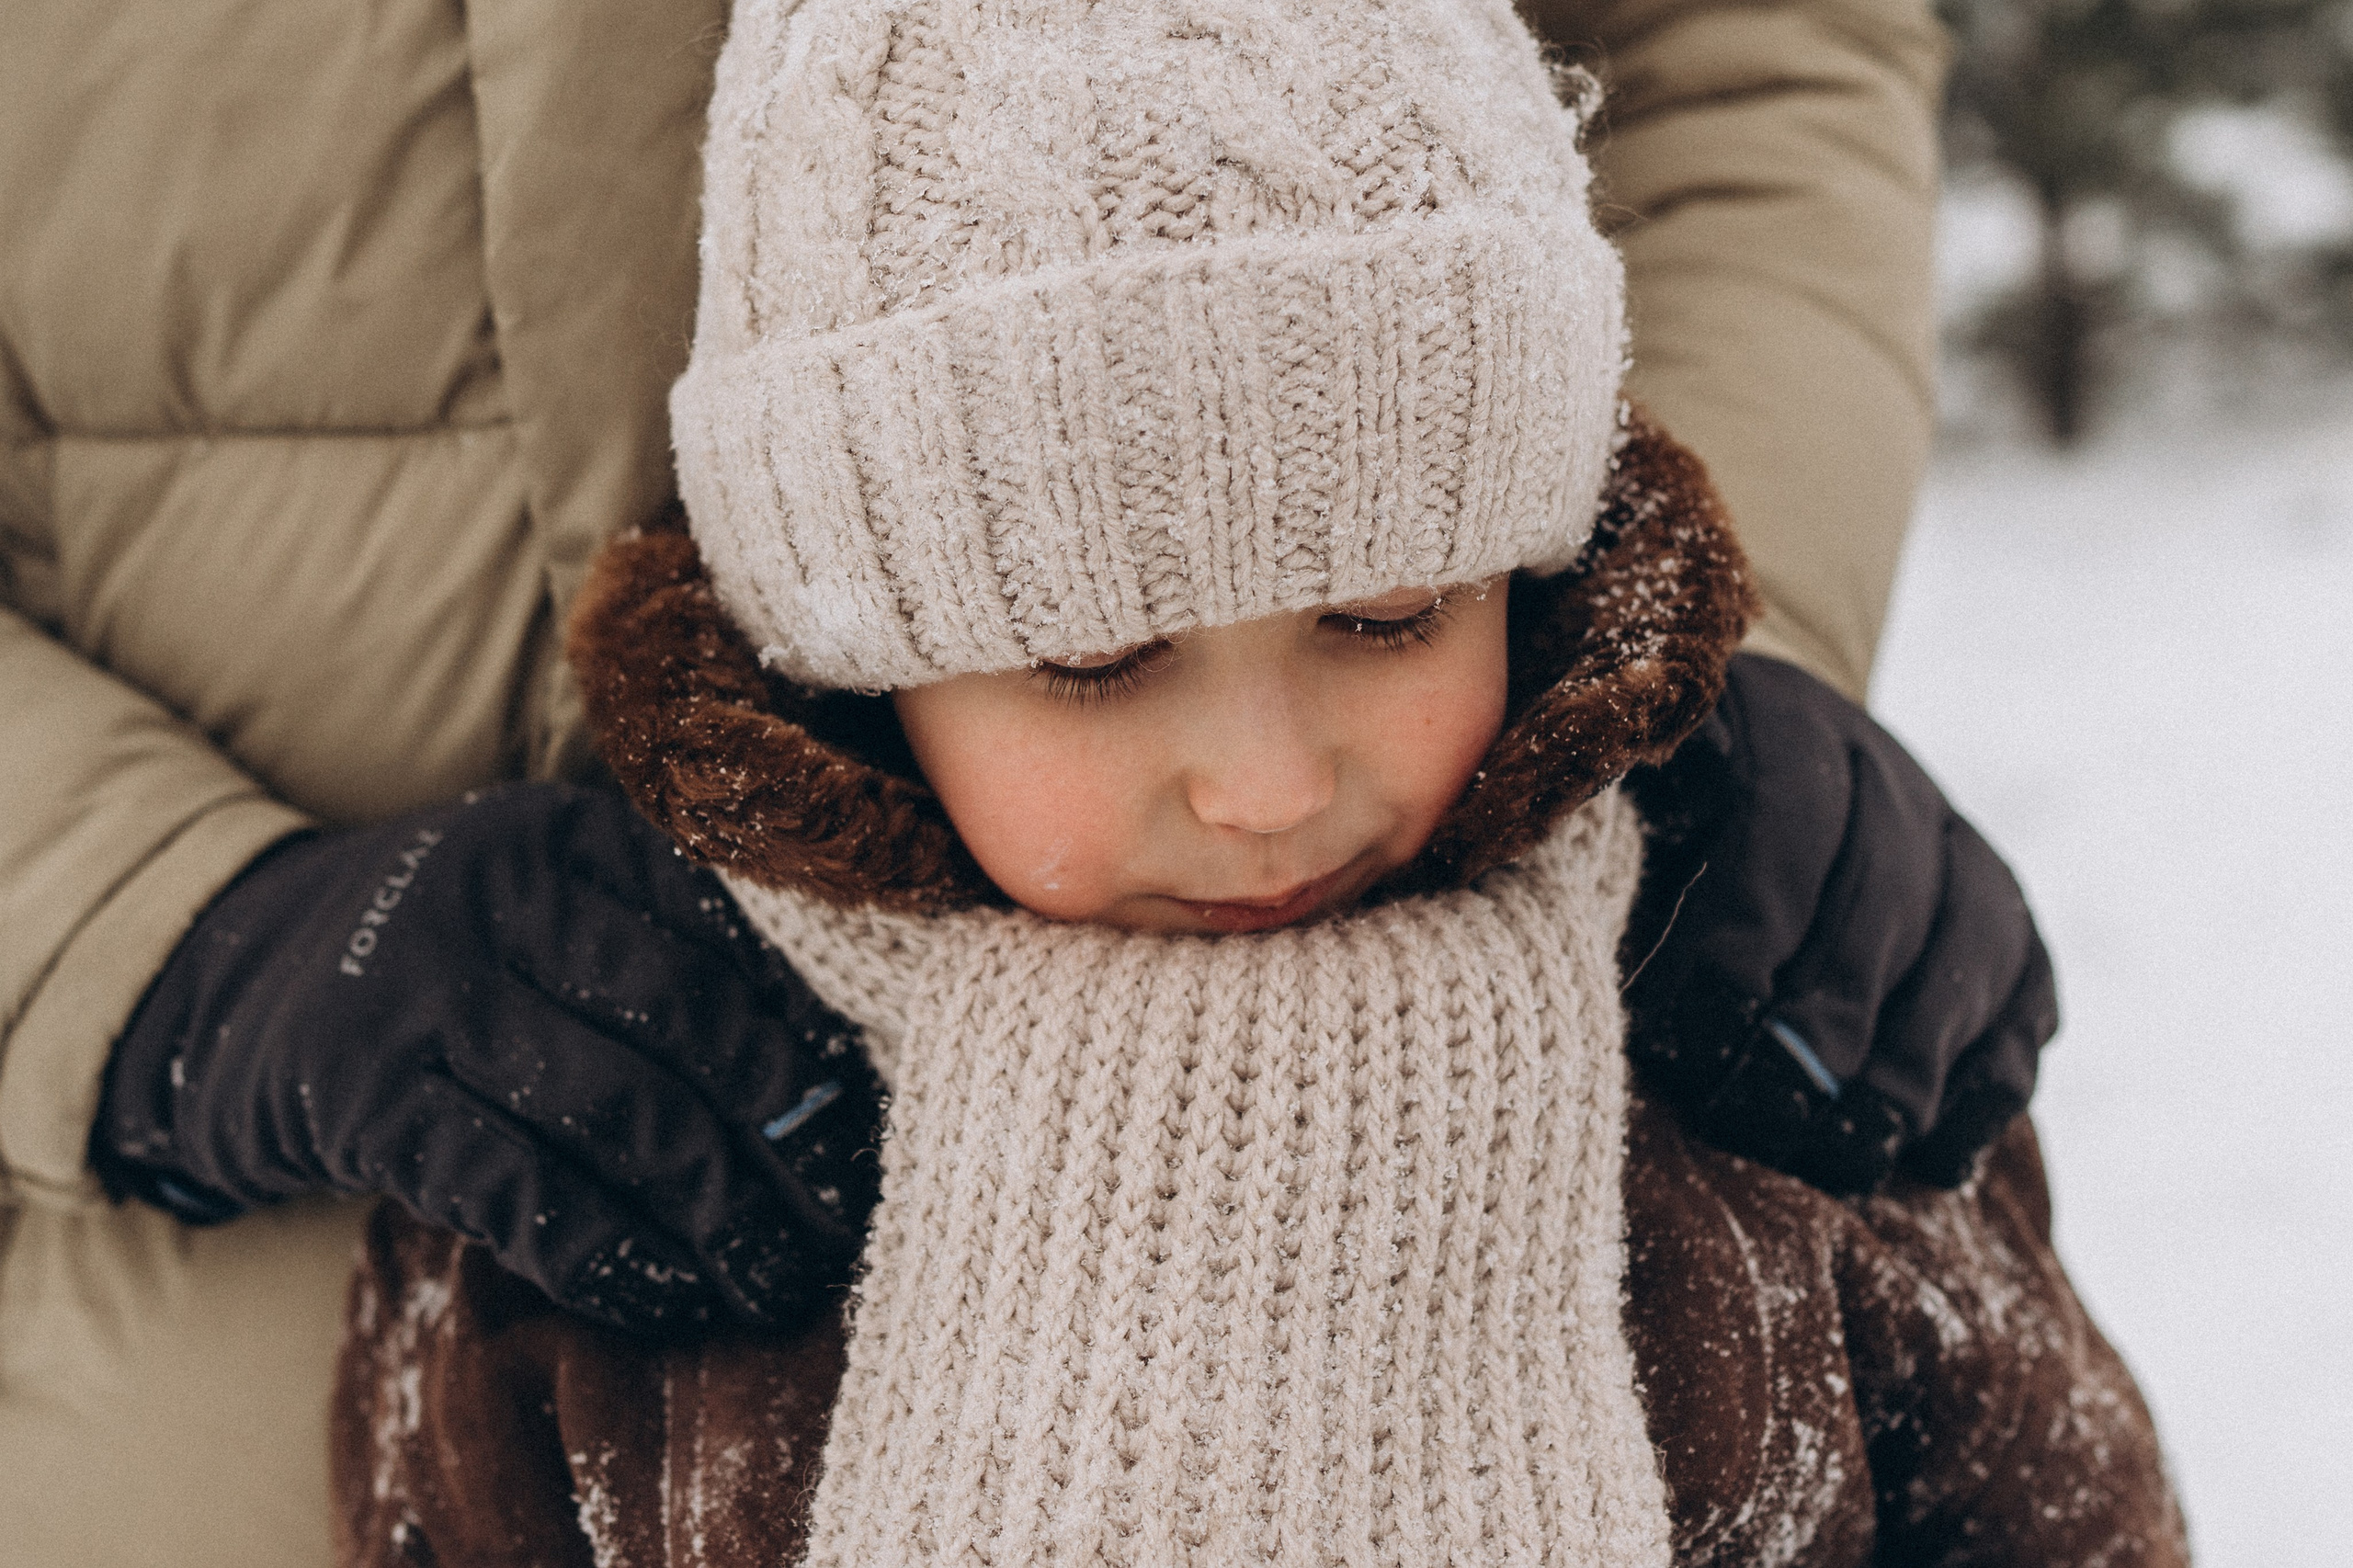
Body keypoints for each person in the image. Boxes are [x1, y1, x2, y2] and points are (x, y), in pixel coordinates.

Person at [0, 0, 2029, 1562]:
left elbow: (1746, 54)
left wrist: (1678, 664)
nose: (1257, 784)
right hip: (246, 1320)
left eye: (1387, 611)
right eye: (1087, 656)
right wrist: (142, 922)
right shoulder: (512, 1359)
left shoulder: (1754, 1153)